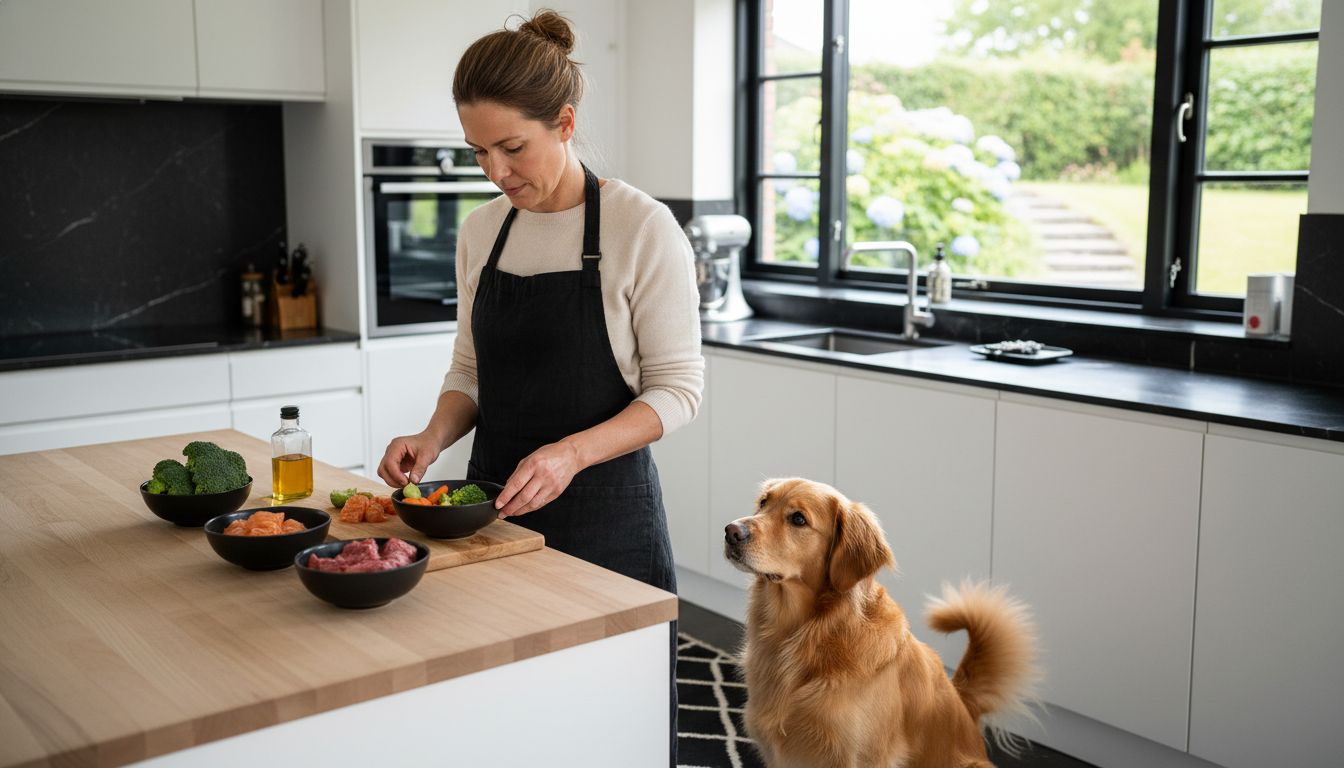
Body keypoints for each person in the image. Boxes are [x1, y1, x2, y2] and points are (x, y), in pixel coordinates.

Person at [376, 9, 703, 766]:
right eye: (479, 151)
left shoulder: (639, 227)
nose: (496, 171)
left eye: (512, 147)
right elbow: (469, 372)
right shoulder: (481, 230)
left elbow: (679, 390)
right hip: (485, 517)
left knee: (612, 726)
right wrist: (430, 436)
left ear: (564, 122)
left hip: (606, 522)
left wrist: (568, 456)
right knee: (504, 722)